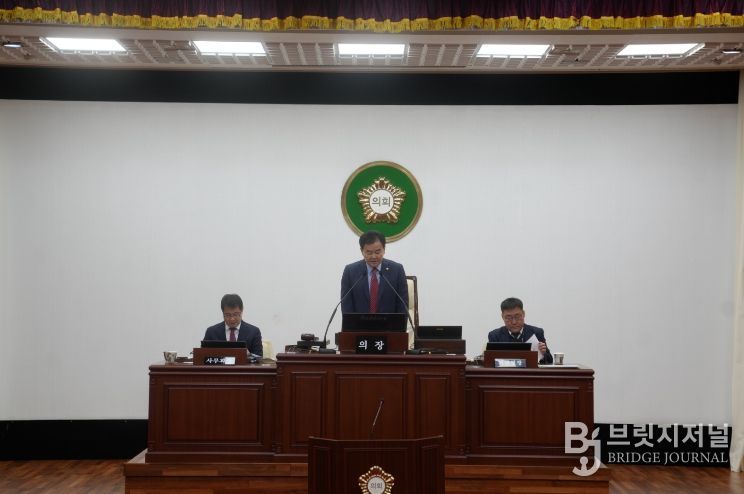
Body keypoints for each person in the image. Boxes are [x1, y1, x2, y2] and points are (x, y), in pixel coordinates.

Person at [341, 230, 409, 314]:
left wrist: (400, 323)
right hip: (359, 322)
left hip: (390, 322)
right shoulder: (350, 272)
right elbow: (346, 307)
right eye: (369, 252)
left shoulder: (397, 270)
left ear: (384, 249)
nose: (373, 256)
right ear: (362, 251)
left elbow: (403, 306)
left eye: (377, 252)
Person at [488, 297, 553, 364]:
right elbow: (490, 362)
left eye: (517, 316)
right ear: (502, 317)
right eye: (509, 318)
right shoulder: (495, 336)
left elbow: (550, 361)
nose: (514, 322)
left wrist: (543, 353)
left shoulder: (536, 332)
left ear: (523, 314)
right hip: (505, 370)